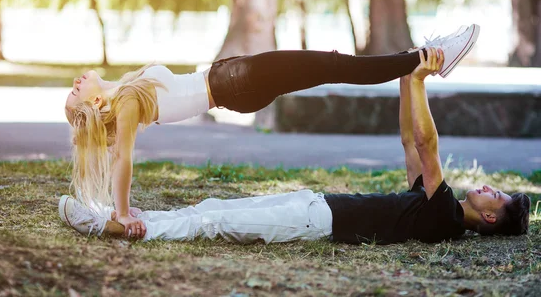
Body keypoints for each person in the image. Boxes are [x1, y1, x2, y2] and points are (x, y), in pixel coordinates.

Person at [59, 44, 530, 244]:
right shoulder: (431, 205)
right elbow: (411, 142)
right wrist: (410, 77)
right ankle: (125, 219)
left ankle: (117, 228)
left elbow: (426, 145)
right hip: (314, 202)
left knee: (216, 218)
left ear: (489, 216)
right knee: (213, 204)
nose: (489, 188)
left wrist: (419, 77)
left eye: (497, 196)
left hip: (314, 218)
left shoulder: (444, 214)